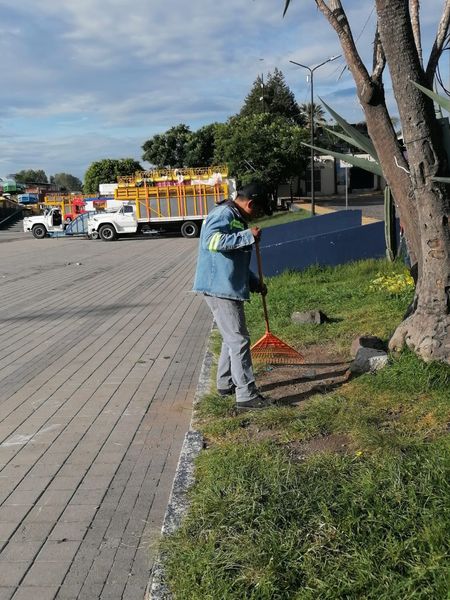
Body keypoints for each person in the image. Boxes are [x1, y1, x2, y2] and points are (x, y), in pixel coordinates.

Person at [193, 182, 273, 411]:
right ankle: (246, 395)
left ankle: (226, 384)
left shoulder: (234, 216)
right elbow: (212, 242)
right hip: (219, 288)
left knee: (232, 339)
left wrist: (254, 282)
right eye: (258, 210)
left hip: (226, 286)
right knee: (239, 340)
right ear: (250, 203)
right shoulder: (223, 214)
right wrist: (247, 236)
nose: (257, 215)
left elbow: (233, 260)